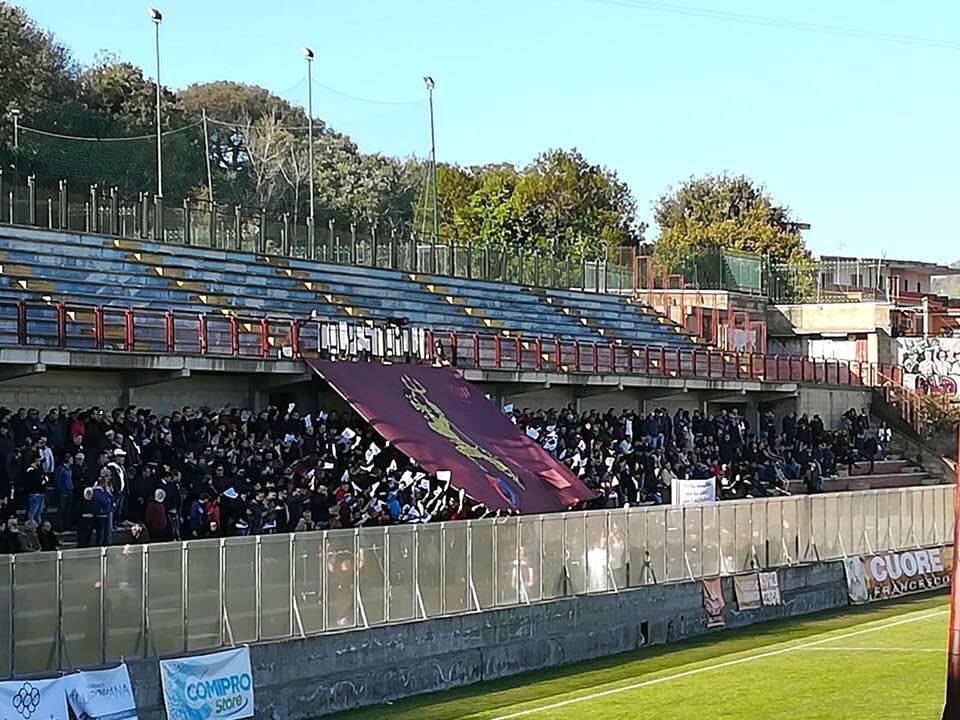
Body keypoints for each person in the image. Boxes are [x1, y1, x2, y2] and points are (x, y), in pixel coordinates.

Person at [54, 452, 74, 531]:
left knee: (68, 510)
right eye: (71, 459)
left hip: (70, 491)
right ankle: (60, 526)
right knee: (61, 510)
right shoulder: (61, 469)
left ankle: (67, 525)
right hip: (63, 492)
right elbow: (58, 480)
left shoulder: (69, 469)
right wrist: (61, 489)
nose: (72, 460)